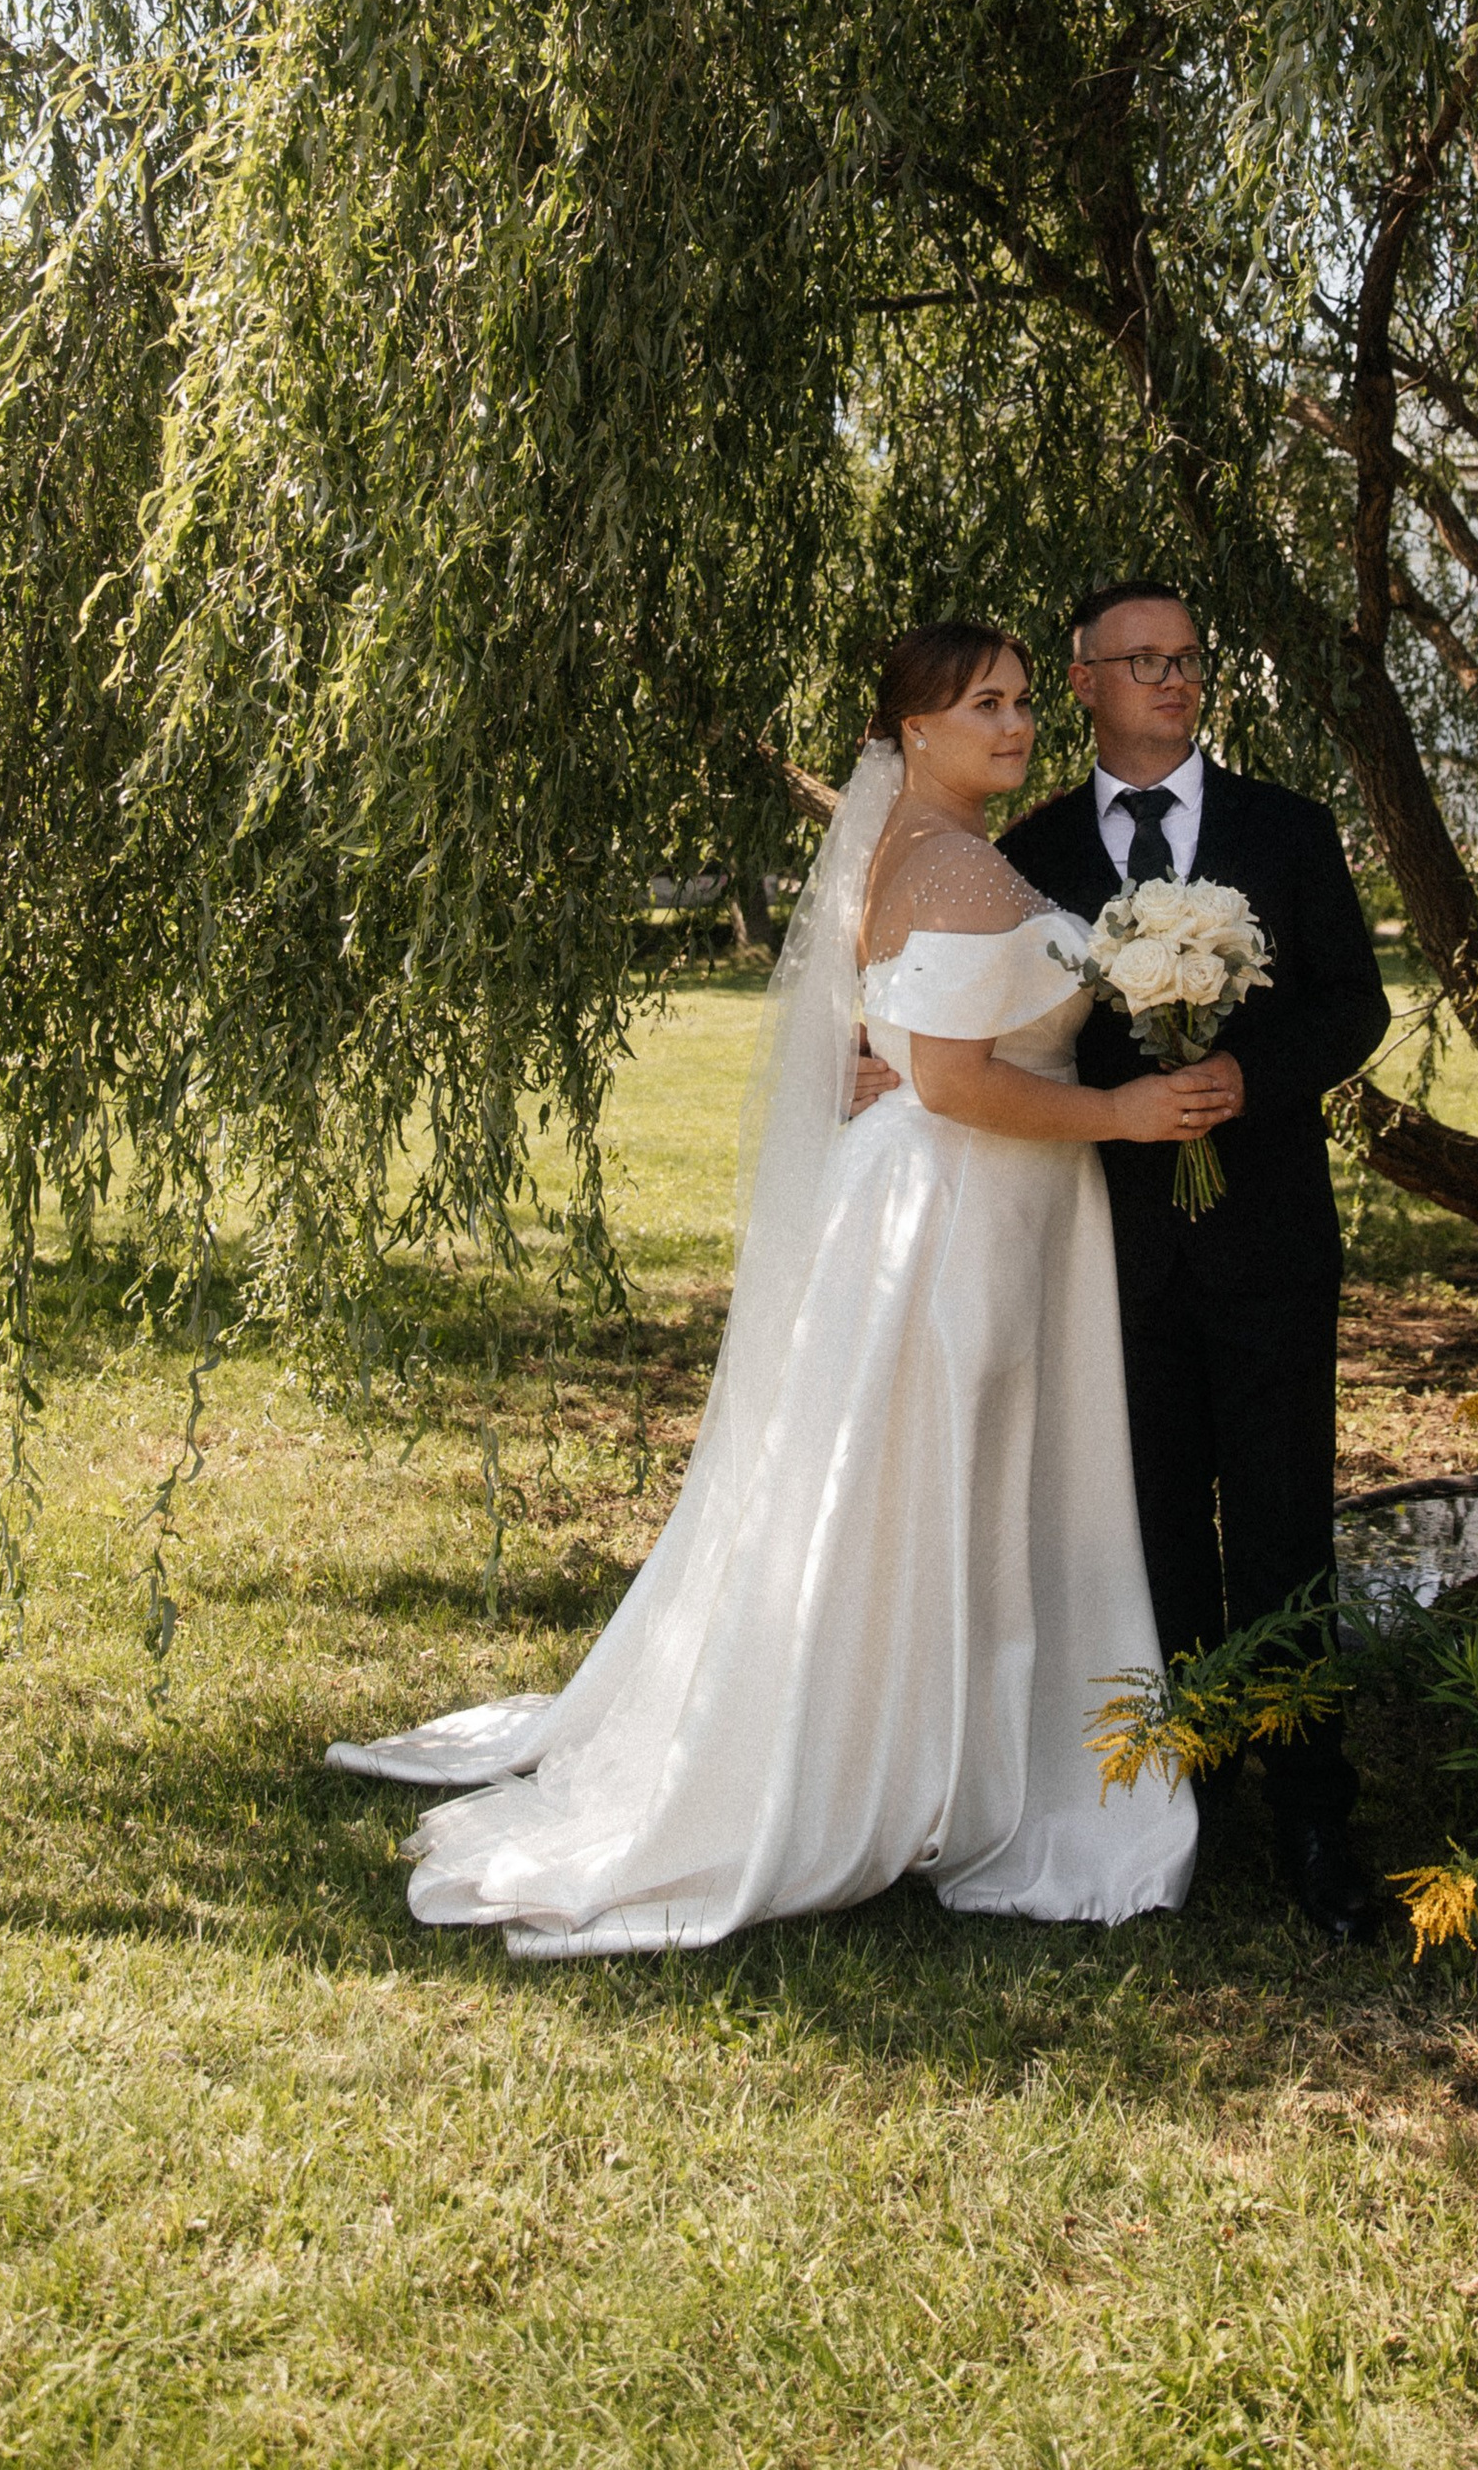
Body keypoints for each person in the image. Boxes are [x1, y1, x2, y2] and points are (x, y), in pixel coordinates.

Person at [323, 621, 1224, 1954]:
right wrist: (1135, 1108)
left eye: (1027, 701)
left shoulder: (907, 850)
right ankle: (913, 1769)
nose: (1017, 724)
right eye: (987, 703)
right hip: (962, 1205)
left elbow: (897, 1036)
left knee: (923, 1485)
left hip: (952, 1198)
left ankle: (934, 1747)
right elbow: (963, 1079)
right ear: (914, 729)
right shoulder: (960, 869)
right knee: (939, 1486)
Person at [996, 581, 1394, 1944]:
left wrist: (1244, 1072)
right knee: (1153, 1531)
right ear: (1084, 679)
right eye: (1142, 660)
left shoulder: (1287, 829)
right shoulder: (1034, 850)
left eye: (1189, 657)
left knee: (1285, 1530)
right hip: (1112, 1245)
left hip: (1273, 1239)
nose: (1172, 679)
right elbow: (1005, 1032)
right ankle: (1184, 1788)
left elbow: (1356, 1004)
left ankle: (1313, 1816)